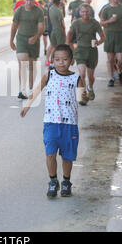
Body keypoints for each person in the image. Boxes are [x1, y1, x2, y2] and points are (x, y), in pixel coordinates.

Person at [20, 44, 89, 198]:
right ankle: (53, 181)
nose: (61, 62)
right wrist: (26, 107)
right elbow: (36, 91)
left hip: (69, 124)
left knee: (67, 156)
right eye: (57, 59)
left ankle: (66, 181)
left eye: (65, 59)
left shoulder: (76, 78)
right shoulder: (48, 75)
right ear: (52, 61)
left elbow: (81, 98)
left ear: (71, 60)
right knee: (50, 154)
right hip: (51, 123)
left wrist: (85, 96)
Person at [67, 4, 105, 102]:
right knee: (82, 74)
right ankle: (83, 95)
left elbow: (102, 37)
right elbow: (69, 35)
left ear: (90, 12)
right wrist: (68, 49)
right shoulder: (76, 23)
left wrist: (98, 42)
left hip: (92, 51)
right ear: (80, 12)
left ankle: (90, 88)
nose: (85, 13)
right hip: (80, 50)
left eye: (87, 11)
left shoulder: (95, 23)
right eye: (83, 11)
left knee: (90, 76)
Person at [10, 0, 44, 99]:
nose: (29, 2)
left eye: (31, 0)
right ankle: (22, 89)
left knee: (31, 65)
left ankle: (30, 88)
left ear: (34, 0)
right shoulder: (19, 11)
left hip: (34, 40)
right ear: (24, 0)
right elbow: (14, 26)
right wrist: (11, 40)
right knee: (23, 63)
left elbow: (41, 27)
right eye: (27, 0)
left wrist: (36, 37)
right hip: (21, 39)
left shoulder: (38, 11)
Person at [47, 0, 67, 64]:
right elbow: (62, 25)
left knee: (54, 47)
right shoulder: (58, 11)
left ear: (52, 1)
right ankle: (59, 62)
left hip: (53, 30)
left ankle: (52, 62)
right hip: (59, 31)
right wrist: (65, 35)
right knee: (60, 48)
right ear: (59, 2)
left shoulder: (51, 8)